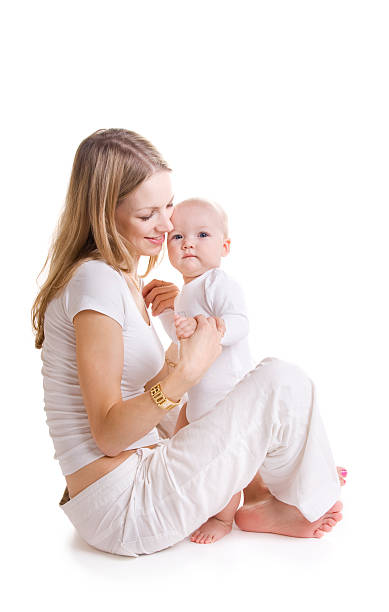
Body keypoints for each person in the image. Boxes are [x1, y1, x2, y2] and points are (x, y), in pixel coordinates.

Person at [32, 128, 344, 557]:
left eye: (168, 206)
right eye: (148, 215)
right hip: (127, 507)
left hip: (134, 484)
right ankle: (290, 494)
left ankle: (278, 489)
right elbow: (108, 435)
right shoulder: (96, 282)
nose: (167, 225)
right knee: (281, 380)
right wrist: (186, 373)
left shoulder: (121, 279)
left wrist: (178, 338)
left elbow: (146, 398)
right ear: (106, 213)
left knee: (257, 390)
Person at [157, 197, 253, 543]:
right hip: (198, 396)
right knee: (182, 444)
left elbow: (241, 322)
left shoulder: (217, 283)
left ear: (225, 246)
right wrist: (170, 318)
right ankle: (191, 499)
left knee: (224, 457)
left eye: (201, 234)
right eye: (177, 237)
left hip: (225, 395)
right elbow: (184, 340)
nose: (189, 244)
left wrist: (218, 328)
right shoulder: (186, 291)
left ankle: (225, 517)